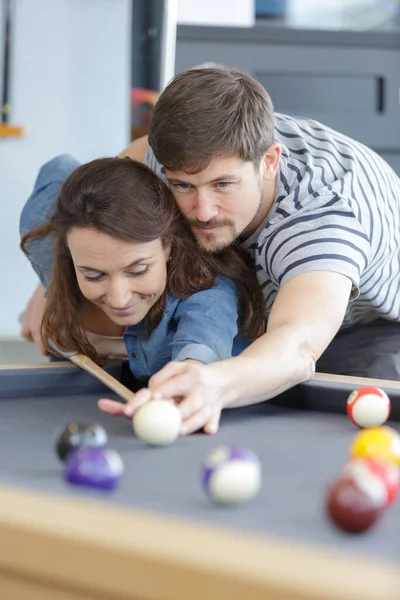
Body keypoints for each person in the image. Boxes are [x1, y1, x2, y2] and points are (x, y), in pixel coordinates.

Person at [20, 66, 400, 436]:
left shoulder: (323, 215)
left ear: (269, 162)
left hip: (361, 325)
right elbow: (105, 206)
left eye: (222, 184)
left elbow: (297, 344)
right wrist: (59, 279)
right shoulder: (171, 155)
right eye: (183, 186)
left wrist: (214, 382)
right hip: (259, 297)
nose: (202, 212)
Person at [20, 156, 264, 435]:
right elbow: (58, 166)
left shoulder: (206, 288)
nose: (119, 299)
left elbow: (202, 344)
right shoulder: (42, 234)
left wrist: (185, 379)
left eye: (137, 271)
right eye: (94, 275)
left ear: (168, 246)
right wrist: (48, 289)